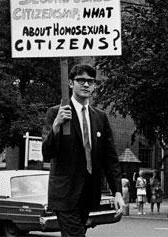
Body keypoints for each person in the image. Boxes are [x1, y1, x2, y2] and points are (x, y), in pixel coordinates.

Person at [42, 63, 125, 236]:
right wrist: (56, 126)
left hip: (88, 194)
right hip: (65, 194)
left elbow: (109, 159)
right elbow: (47, 153)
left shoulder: (100, 117)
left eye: (90, 81)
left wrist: (117, 192)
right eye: (81, 80)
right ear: (71, 83)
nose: (86, 85)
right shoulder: (57, 113)